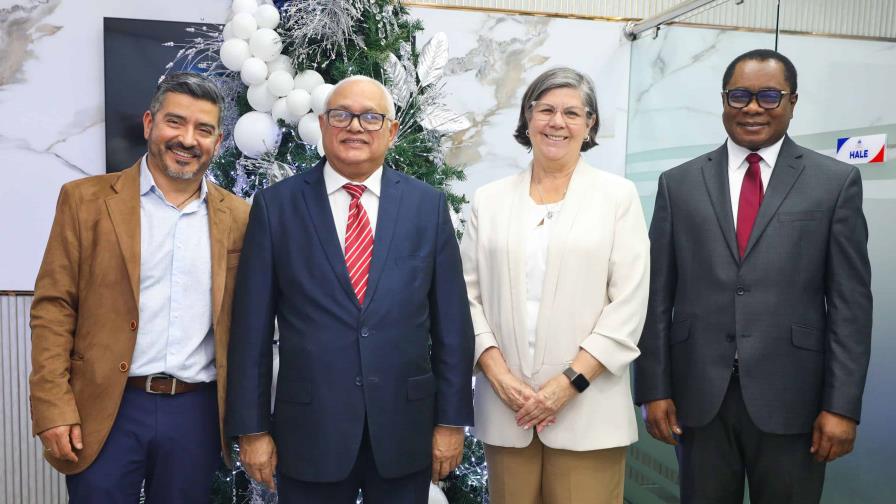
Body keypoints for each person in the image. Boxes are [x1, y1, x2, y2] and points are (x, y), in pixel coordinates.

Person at [634, 49, 873, 504]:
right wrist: (653, 389)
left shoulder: (834, 182)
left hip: (795, 400)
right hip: (698, 400)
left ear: (793, 101)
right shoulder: (678, 183)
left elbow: (851, 306)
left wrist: (841, 406)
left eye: (769, 95)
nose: (753, 107)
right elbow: (656, 296)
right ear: (724, 100)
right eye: (739, 95)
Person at [225, 75, 474, 504]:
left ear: (391, 131)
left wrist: (451, 422)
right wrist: (253, 429)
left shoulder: (427, 207)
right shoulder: (276, 207)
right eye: (341, 115)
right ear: (323, 125)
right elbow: (251, 330)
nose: (355, 127)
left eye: (371, 117)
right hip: (309, 432)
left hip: (404, 430)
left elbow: (452, 324)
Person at [29, 72, 250, 503]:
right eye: (175, 122)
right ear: (149, 124)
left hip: (195, 411)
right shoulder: (84, 201)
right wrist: (52, 407)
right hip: (106, 406)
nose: (187, 139)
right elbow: (54, 308)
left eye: (203, 130)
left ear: (217, 142)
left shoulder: (240, 217)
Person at [461, 67, 650, 504]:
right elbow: (465, 296)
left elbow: (629, 302)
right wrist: (498, 375)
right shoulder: (488, 201)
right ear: (527, 120)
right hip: (508, 411)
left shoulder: (617, 198)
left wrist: (567, 384)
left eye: (571, 112)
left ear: (590, 125)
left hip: (589, 412)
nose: (556, 122)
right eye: (544, 109)